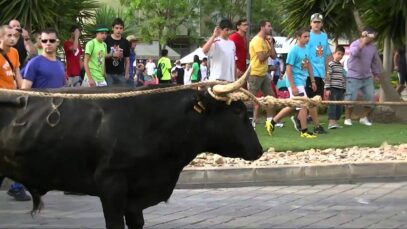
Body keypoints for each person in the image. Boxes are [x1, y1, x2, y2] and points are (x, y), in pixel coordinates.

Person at [269, 27, 318, 138]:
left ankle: (272, 122)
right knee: (303, 105)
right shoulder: (293, 50)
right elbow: (288, 69)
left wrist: (313, 80)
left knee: (292, 105)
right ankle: (304, 131)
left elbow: (308, 65)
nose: (307, 38)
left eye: (308, 36)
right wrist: (293, 86)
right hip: (295, 82)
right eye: (305, 36)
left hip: (302, 82)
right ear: (298, 37)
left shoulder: (307, 49)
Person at [0, 25, 29, 201]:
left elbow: (17, 75)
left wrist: (24, 94)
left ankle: (16, 185)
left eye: (15, 36)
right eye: (9, 35)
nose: (12, 39)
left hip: (13, 101)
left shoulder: (15, 54)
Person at [344, 28, 381, 126]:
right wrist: (363, 42)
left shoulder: (373, 47)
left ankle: (363, 117)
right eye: (372, 36)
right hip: (353, 76)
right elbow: (354, 53)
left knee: (371, 97)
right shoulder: (355, 44)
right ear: (365, 35)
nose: (373, 39)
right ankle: (347, 118)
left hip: (367, 77)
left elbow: (374, 62)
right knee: (351, 97)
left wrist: (376, 74)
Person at [302, 13, 330, 134]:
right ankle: (316, 126)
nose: (316, 24)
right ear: (310, 24)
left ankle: (301, 118)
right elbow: (304, 55)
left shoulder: (324, 36)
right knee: (312, 101)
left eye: (318, 22)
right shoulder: (308, 36)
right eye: (314, 22)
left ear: (321, 24)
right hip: (310, 73)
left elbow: (327, 54)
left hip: (321, 73)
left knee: (316, 100)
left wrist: (328, 70)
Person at [247, 20, 276, 131]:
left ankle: (269, 123)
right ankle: (249, 124)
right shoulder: (256, 40)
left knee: (271, 98)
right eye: (269, 26)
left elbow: (274, 56)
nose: (271, 28)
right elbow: (261, 57)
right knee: (250, 101)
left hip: (264, 74)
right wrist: (268, 51)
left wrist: (271, 44)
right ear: (262, 27)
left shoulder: (266, 41)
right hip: (255, 74)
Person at [325, 46, 346, 129]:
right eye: (339, 54)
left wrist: (344, 88)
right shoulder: (331, 64)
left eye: (342, 55)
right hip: (333, 88)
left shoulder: (341, 65)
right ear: (334, 54)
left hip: (340, 89)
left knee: (339, 106)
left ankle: (335, 122)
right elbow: (328, 77)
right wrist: (327, 88)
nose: (340, 56)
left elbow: (342, 77)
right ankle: (331, 122)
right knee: (332, 105)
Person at [105, 18, 130, 86]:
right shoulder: (106, 40)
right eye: (116, 28)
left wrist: (126, 73)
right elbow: (102, 56)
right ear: (112, 28)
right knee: (109, 95)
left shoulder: (126, 42)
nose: (118, 30)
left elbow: (127, 59)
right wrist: (112, 54)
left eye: (121, 28)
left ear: (123, 29)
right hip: (108, 74)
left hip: (121, 74)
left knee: (122, 94)